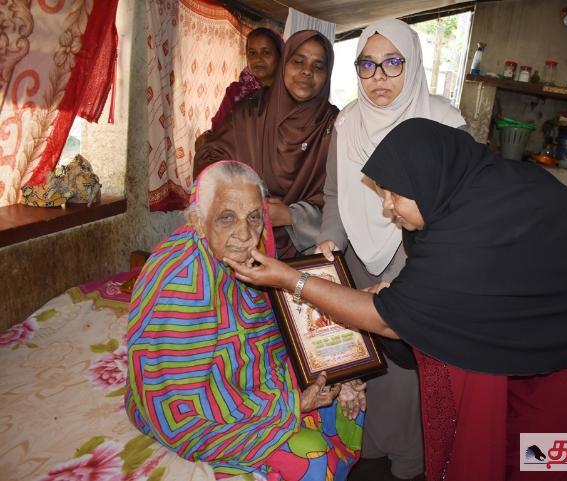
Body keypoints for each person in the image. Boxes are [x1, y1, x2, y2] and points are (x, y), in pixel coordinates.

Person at [226, 119, 567, 481]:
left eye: (394, 194)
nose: (387, 208)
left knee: (546, 450)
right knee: (516, 430)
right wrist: (402, 299)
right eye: (382, 193)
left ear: (428, 178)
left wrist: (291, 279)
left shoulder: (471, 231)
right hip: (554, 319)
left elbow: (389, 320)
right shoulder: (465, 192)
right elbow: (428, 296)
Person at [125, 161, 365, 480]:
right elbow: (180, 404)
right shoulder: (181, 283)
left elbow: (270, 329)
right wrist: (291, 404)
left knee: (342, 399)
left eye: (254, 217)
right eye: (227, 217)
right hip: (197, 411)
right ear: (198, 221)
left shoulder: (250, 255)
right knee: (314, 461)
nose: (245, 234)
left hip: (246, 378)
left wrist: (338, 365)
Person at [315, 18, 465, 481]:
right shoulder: (346, 123)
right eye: (367, 65)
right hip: (357, 258)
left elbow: (457, 207)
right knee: (361, 358)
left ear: (413, 63)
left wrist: (407, 272)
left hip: (419, 258)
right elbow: (335, 195)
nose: (379, 77)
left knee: (405, 368)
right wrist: (331, 240)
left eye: (392, 63)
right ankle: (366, 448)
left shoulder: (445, 122)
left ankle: (409, 462)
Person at [194, 30, 336, 259]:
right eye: (298, 61)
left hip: (309, 252)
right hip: (240, 244)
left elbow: (346, 200)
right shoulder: (249, 111)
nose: (307, 71)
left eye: (318, 66)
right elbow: (210, 158)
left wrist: (293, 216)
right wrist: (244, 201)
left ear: (327, 75)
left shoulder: (335, 126)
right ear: (284, 64)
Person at [195, 28, 284, 151]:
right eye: (252, 53)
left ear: (280, 56)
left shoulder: (288, 94)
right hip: (239, 159)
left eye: (266, 52)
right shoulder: (236, 92)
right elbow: (218, 130)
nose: (258, 59)